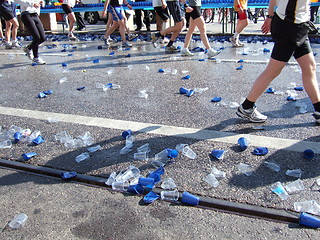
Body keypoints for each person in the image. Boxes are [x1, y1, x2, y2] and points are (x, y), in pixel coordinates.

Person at [236, 0, 320, 125]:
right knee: (273, 70)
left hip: (298, 25)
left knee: (309, 66)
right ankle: (246, 107)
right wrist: (270, 17)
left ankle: (318, 110)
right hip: (290, 27)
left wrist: (270, 17)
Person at [16, 0, 46, 64]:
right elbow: (17, 1)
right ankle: (36, 57)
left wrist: (42, 2)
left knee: (42, 38)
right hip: (26, 14)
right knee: (36, 37)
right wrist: (32, 4)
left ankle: (28, 48)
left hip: (35, 14)